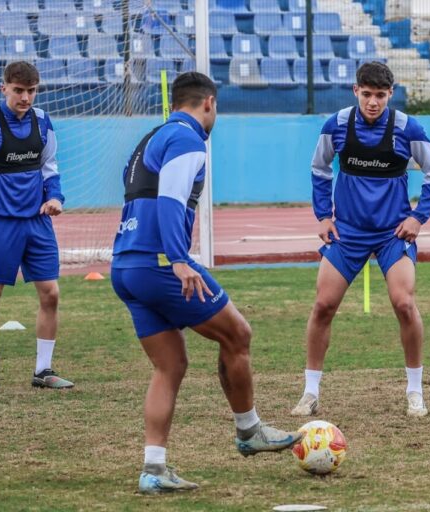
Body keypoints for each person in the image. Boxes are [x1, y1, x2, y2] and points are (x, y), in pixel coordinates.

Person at [110, 72, 301, 495]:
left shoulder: (150, 138)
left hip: (125, 263)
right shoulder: (187, 138)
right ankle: (249, 430)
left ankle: (153, 469)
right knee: (238, 334)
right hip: (159, 264)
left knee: (170, 364)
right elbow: (171, 199)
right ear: (209, 103)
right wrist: (178, 259)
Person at [290, 62, 430, 418]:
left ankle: (415, 391)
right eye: (367, 94)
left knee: (403, 303)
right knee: (323, 306)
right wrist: (323, 216)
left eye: (380, 95)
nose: (373, 102)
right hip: (348, 233)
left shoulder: (408, 128)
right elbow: (319, 168)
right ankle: (310, 392)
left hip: (393, 233)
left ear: (390, 94)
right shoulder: (337, 125)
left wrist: (418, 217)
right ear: (355, 91)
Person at [0, 61, 74, 391]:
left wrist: (56, 198)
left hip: (37, 223)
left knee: (51, 294)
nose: (26, 97)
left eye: (32, 91)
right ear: (4, 88)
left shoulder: (42, 121)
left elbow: (50, 167)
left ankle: (43, 371)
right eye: (19, 90)